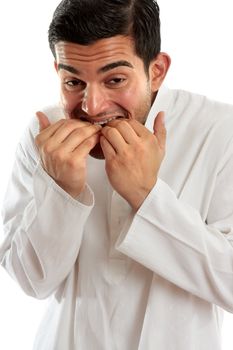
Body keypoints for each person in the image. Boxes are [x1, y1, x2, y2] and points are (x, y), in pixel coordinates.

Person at [0, 0, 233, 349]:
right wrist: (59, 191)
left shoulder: (220, 131)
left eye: (115, 79)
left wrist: (146, 195)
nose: (92, 106)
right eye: (73, 81)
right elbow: (33, 282)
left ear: (156, 70)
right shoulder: (43, 137)